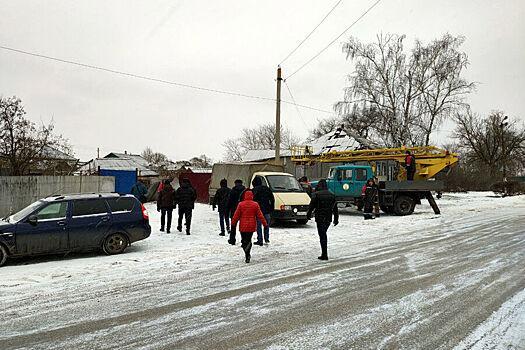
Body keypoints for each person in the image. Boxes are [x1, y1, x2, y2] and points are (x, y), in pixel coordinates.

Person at [231, 190, 268, 263]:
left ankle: (247, 253)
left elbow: (236, 215)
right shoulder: (255, 204)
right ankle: (248, 253)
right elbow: (260, 215)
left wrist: (233, 223)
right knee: (248, 240)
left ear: (245, 196)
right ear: (252, 196)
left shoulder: (241, 204)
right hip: (251, 225)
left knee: (243, 240)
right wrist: (265, 224)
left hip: (243, 226)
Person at [306, 179, 339, 261]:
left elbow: (311, 206)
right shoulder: (332, 195)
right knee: (323, 233)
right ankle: (324, 253)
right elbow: (335, 209)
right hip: (328, 217)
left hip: (319, 217)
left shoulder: (316, 195)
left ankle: (324, 254)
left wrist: (308, 214)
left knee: (322, 235)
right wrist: (336, 219)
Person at [251, 176, 275, 246]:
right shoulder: (266, 189)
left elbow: (253, 201)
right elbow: (272, 199)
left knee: (259, 225)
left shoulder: (254, 190)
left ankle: (260, 240)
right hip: (267, 210)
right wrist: (271, 208)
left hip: (258, 211)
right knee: (266, 225)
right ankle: (266, 238)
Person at [227, 179, 246, 245]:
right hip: (243, 211)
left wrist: (228, 210)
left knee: (233, 226)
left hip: (234, 210)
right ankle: (243, 240)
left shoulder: (232, 191)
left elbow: (229, 201)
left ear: (235, 183)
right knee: (243, 226)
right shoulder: (244, 191)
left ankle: (232, 240)